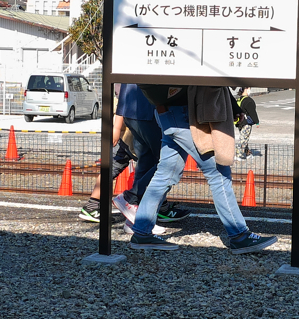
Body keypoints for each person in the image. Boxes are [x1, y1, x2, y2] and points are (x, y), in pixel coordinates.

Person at [128, 84, 277, 253]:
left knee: (165, 174)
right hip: (187, 115)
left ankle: (141, 232)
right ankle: (239, 235)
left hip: (167, 113)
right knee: (219, 174)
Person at [112, 83, 190, 229]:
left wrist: (118, 122)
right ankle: (130, 198)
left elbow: (123, 86)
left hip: (130, 111)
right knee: (166, 162)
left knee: (146, 161)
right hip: (149, 109)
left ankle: (135, 221)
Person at [236, 87, 259, 159]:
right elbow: (252, 112)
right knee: (243, 139)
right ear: (245, 89)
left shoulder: (239, 99)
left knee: (243, 137)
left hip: (239, 121)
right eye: (249, 88)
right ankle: (238, 155)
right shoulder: (248, 101)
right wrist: (257, 122)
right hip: (247, 123)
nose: (250, 90)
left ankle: (247, 153)